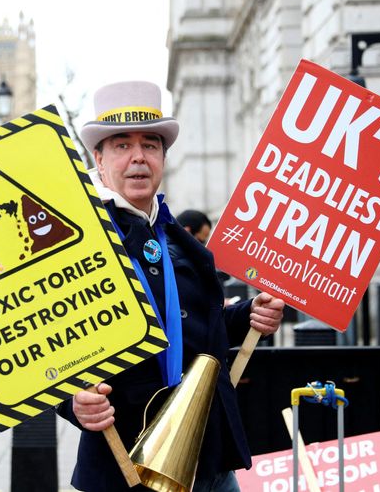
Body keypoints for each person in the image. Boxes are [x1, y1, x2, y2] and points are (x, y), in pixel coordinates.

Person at [56, 81, 285, 492]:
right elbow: (42, 344)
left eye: (150, 144)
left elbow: (198, 325)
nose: (138, 157)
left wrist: (247, 315)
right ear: (99, 158)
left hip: (207, 457)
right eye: (122, 145)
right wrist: (72, 404)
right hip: (127, 466)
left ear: (163, 157)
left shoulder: (175, 235)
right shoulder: (77, 239)